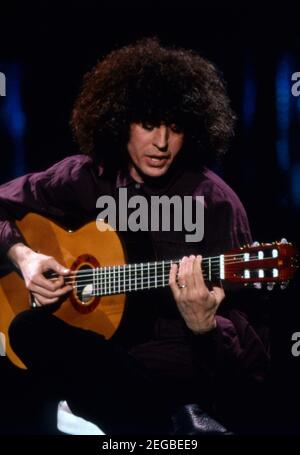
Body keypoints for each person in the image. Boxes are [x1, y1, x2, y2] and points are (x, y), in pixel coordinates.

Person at [0, 38, 270, 434]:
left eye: (175, 127)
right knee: (26, 329)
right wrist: (24, 257)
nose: (161, 143)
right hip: (92, 354)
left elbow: (253, 360)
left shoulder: (215, 203)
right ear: (120, 121)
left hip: (168, 367)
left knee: (136, 377)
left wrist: (206, 326)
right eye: (148, 124)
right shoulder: (85, 177)